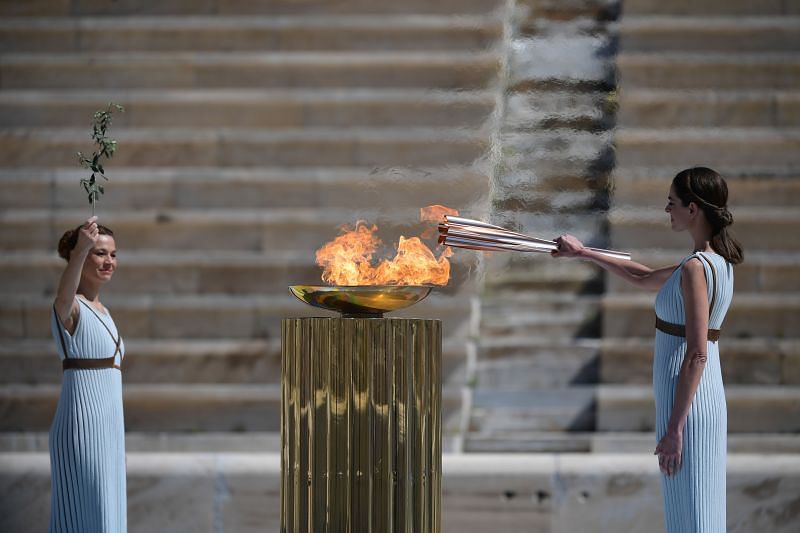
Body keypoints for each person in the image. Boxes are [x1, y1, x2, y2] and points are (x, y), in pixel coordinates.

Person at [552, 167, 742, 532]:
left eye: (672, 204)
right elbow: (641, 276)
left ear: (693, 209)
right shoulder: (714, 264)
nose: (666, 210)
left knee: (695, 518)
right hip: (697, 404)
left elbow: (698, 353)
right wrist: (583, 252)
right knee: (694, 514)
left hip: (688, 410)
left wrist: (675, 428)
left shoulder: (696, 269)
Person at [50, 216, 126, 532]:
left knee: (108, 512)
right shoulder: (73, 307)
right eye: (100, 253)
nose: (108, 261)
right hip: (82, 424)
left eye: (113, 254)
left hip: (109, 426)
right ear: (81, 256)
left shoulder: (104, 312)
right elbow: (62, 300)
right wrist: (81, 249)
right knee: (88, 513)